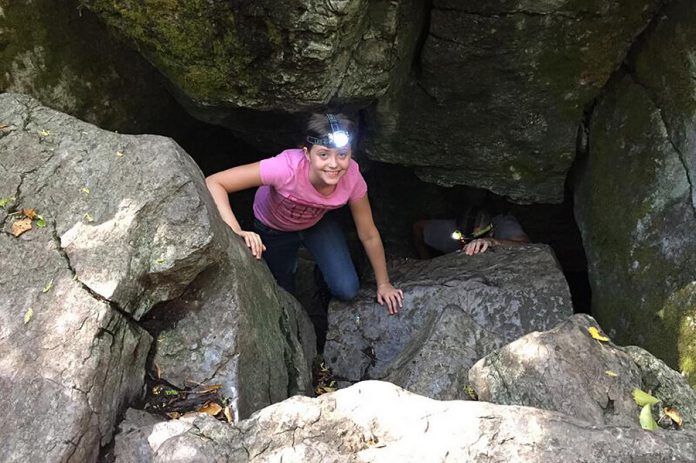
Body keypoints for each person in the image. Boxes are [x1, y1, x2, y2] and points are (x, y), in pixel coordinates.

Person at [205, 113, 404, 314]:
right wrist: (236, 231)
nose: (334, 164)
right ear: (307, 154)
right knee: (284, 291)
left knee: (347, 289)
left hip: (317, 223)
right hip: (274, 228)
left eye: (342, 154)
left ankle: (321, 278)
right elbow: (215, 182)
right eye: (324, 154)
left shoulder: (352, 177)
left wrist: (384, 284)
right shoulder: (285, 168)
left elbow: (368, 233)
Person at [413, 206, 529, 259]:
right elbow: (418, 226)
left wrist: (492, 242)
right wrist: (425, 259)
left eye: (475, 239)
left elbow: (526, 245)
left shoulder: (505, 226)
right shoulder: (451, 234)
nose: (470, 244)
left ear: (491, 232)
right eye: (466, 240)